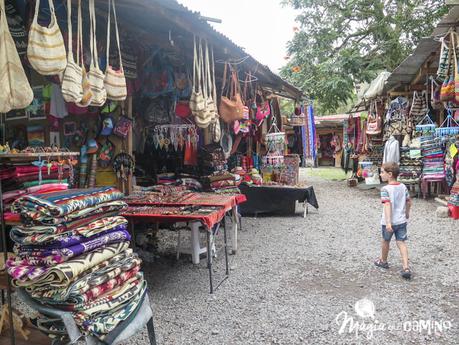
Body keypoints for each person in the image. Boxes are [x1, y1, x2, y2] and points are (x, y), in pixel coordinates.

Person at [374, 162, 412, 279]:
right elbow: (409, 201)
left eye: (382, 172)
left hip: (388, 222)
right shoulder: (403, 187)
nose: (380, 174)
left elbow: (387, 205)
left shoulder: (385, 189)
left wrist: (389, 222)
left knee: (386, 241)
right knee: (401, 242)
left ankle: (383, 261)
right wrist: (406, 213)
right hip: (401, 221)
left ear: (389, 174)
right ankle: (406, 267)